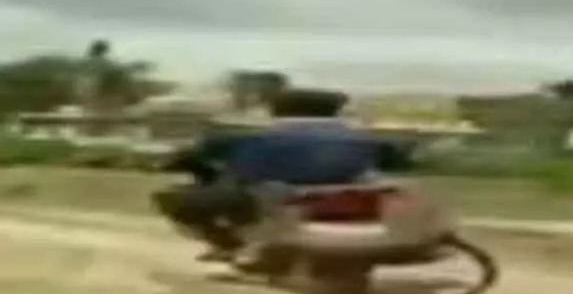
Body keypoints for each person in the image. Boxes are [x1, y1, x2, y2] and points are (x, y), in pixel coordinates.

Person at [153, 87, 414, 262]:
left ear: (275, 110)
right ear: (336, 111)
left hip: (271, 199)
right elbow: (399, 162)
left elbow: (189, 157)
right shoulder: (369, 141)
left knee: (171, 197)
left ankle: (227, 246)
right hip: (353, 199)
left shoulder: (245, 139)